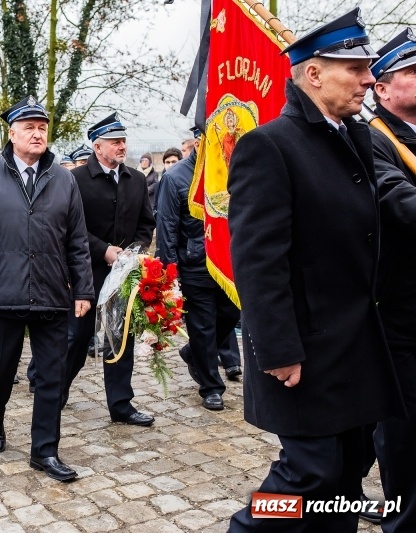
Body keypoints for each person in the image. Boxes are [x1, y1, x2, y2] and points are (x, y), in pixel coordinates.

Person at [226, 9, 404, 531]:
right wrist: (278, 349)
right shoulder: (270, 145)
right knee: (307, 476)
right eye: (356, 67)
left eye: (369, 67)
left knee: (347, 475)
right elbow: (258, 261)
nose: (370, 78)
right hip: (305, 351)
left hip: (356, 345)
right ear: (314, 73)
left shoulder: (353, 137)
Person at [0, 95, 94, 481]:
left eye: (42, 128)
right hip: (2, 295)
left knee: (51, 375)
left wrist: (83, 291)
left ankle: (44, 451)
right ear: (12, 133)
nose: (37, 134)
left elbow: (77, 241)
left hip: (52, 293)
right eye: (29, 127)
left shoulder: (63, 178)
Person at [61, 112, 156, 426]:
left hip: (124, 272)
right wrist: (104, 251)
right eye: (115, 141)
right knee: (79, 336)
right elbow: (70, 228)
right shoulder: (75, 180)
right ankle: (56, 389)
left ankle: (121, 405)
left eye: (123, 141)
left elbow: (146, 224)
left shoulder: (136, 179)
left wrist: (134, 251)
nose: (122, 146)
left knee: (121, 336)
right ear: (97, 146)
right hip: (87, 271)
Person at [369, 28, 416, 532]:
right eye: (411, 73)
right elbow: (400, 205)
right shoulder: (374, 141)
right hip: (399, 310)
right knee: (401, 432)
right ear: (381, 90)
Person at [155, 134, 240, 411]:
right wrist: (169, 271)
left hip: (227, 265)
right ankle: (211, 387)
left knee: (230, 314)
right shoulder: (175, 177)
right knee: (202, 327)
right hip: (194, 264)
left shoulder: (230, 169)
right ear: (197, 142)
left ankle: (193, 353)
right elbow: (167, 225)